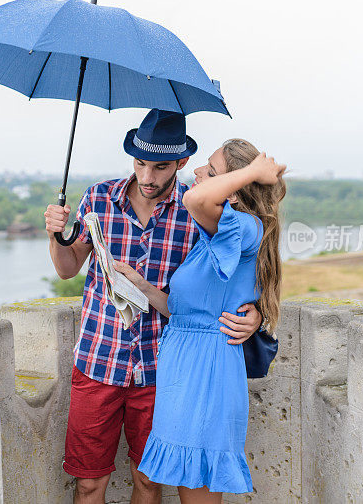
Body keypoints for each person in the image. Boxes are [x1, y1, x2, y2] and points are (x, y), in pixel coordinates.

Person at [44, 110, 265, 504]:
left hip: (162, 369)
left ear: (181, 164)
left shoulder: (199, 209)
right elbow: (66, 269)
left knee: (149, 482)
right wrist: (56, 236)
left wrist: (257, 314)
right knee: (88, 483)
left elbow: (228, 277)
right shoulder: (98, 197)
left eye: (160, 167)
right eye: (140, 163)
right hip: (99, 360)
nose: (147, 177)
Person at [114, 139, 287, 503]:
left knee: (197, 481)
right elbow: (182, 310)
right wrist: (140, 284)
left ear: (235, 191)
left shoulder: (243, 227)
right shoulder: (213, 236)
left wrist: (254, 171)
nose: (196, 173)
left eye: (210, 171)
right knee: (187, 478)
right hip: (184, 367)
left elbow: (195, 199)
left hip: (207, 369)